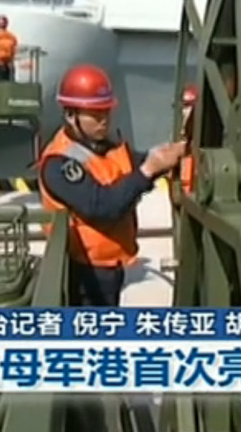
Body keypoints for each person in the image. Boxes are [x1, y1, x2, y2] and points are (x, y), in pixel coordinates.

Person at [37, 64, 186, 306]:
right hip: (84, 273)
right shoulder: (59, 163)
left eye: (106, 112)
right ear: (70, 115)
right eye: (95, 115)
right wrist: (148, 170)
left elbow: (133, 164)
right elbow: (103, 207)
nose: (103, 121)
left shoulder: (108, 145)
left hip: (110, 267)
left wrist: (168, 153)